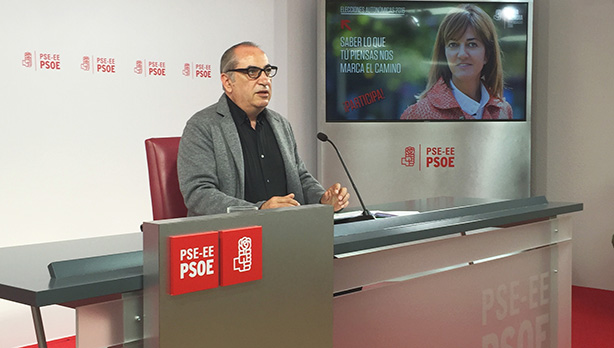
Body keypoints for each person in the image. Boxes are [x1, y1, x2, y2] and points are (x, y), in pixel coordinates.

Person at [178, 41, 350, 216]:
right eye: (252, 72)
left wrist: (322, 199)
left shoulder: (281, 124)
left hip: (289, 231)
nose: (265, 80)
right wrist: (259, 210)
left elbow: (300, 177)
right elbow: (199, 194)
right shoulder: (202, 126)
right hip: (235, 235)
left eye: (267, 71)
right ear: (228, 82)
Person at [400, 4, 512, 120]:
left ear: (487, 55)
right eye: (453, 45)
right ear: (444, 54)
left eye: (472, 44)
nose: (462, 54)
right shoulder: (417, 114)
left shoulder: (503, 111)